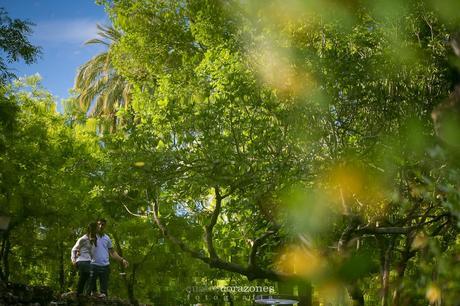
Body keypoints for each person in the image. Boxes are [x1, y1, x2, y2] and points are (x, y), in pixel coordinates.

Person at [90, 218, 128, 298]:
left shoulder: (107, 238)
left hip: (105, 266)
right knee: (91, 291)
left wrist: (122, 260)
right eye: (99, 224)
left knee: (104, 293)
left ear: (105, 226)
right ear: (96, 225)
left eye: (103, 225)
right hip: (93, 265)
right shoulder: (91, 236)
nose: (100, 226)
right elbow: (84, 248)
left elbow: (112, 252)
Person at [71, 222, 97, 296]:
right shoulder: (83, 239)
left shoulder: (94, 240)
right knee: (91, 273)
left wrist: (92, 243)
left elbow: (92, 254)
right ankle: (93, 292)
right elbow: (73, 249)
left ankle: (80, 294)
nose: (94, 231)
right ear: (89, 230)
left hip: (88, 261)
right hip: (81, 260)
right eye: (92, 230)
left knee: (84, 277)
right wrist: (73, 260)